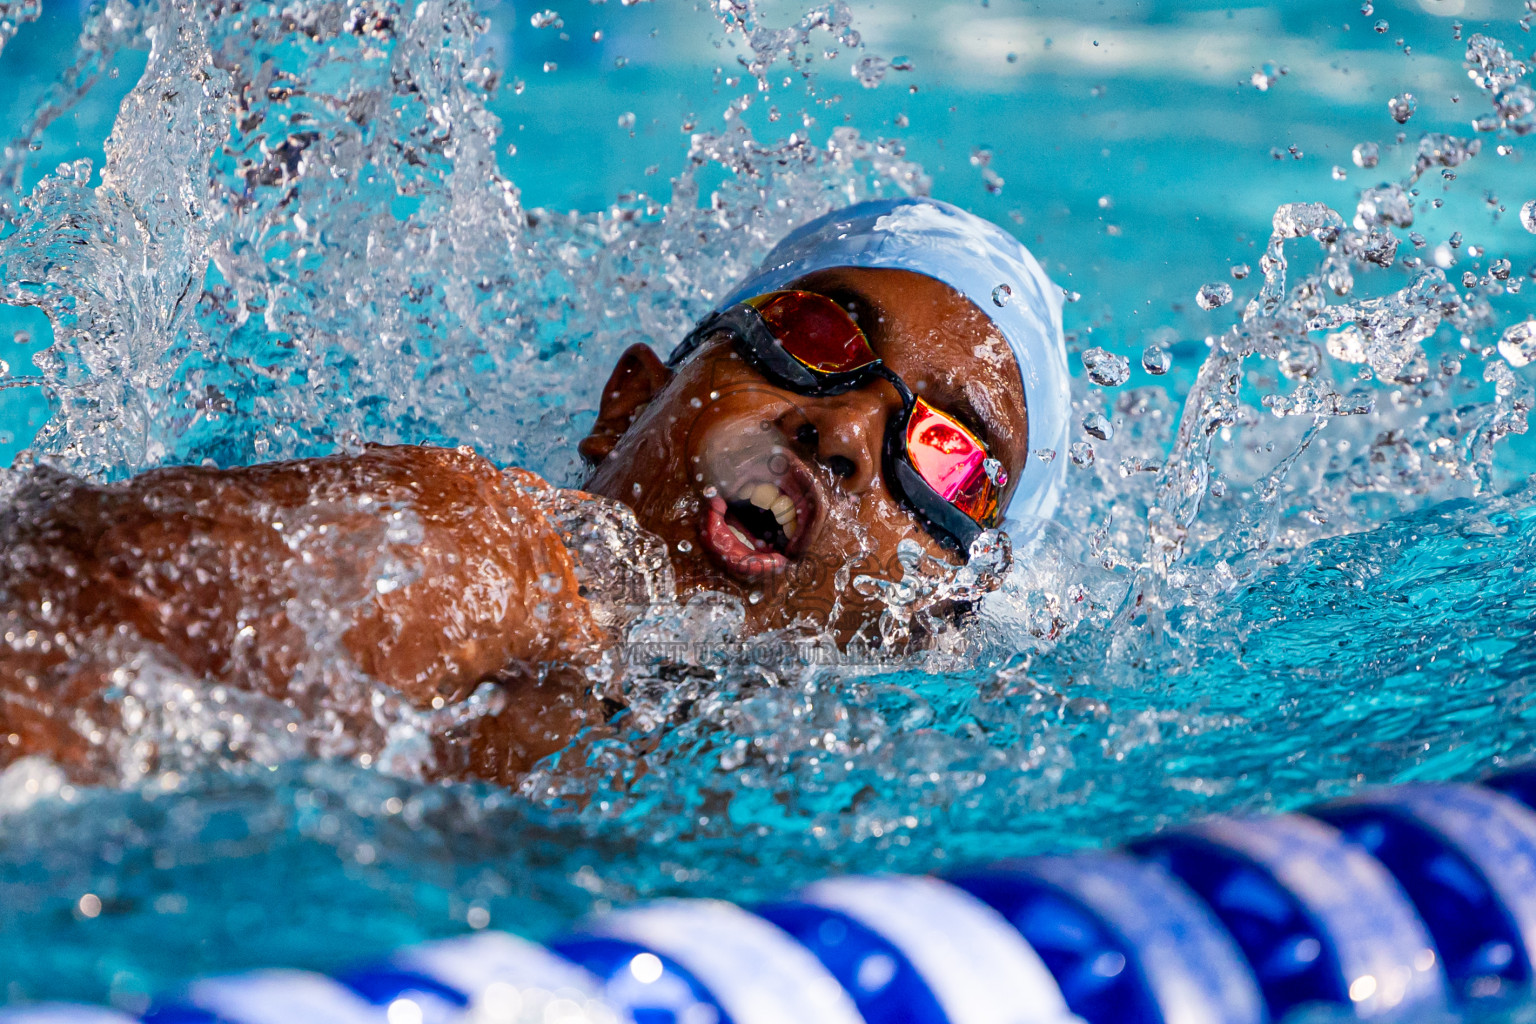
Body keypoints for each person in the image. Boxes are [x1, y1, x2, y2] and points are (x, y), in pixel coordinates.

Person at [0, 197, 1069, 785]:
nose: (841, 430)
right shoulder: (467, 550)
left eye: (949, 457)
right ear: (630, 402)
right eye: (815, 337)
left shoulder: (770, 783)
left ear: (940, 614)